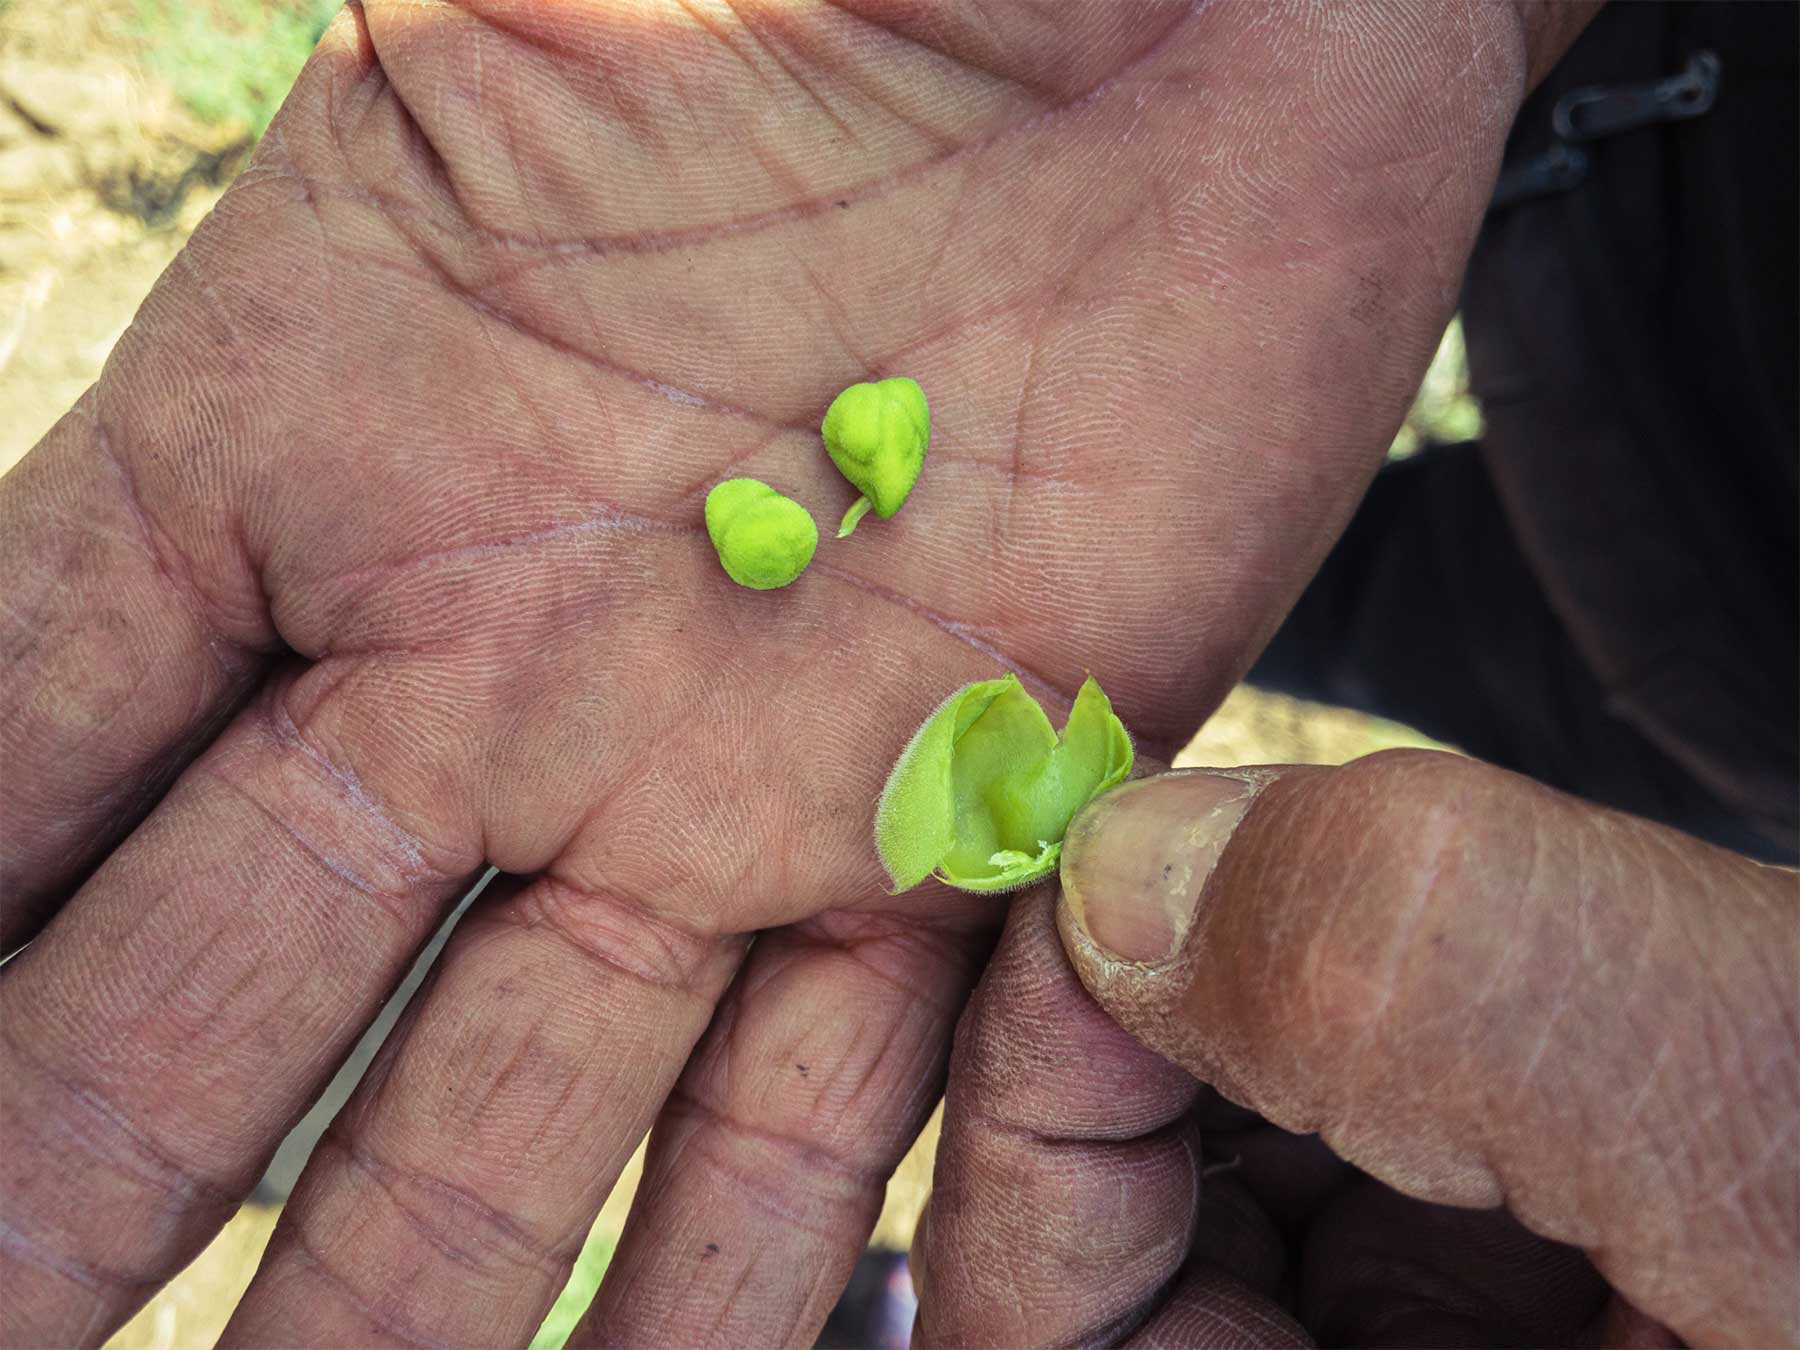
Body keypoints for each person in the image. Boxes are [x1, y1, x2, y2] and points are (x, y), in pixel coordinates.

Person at [0, 4, 1790, 1349]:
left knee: (1506, 662)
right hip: (1654, 174)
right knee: (1383, 594)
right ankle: (1329, 593)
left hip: (1736, 682)